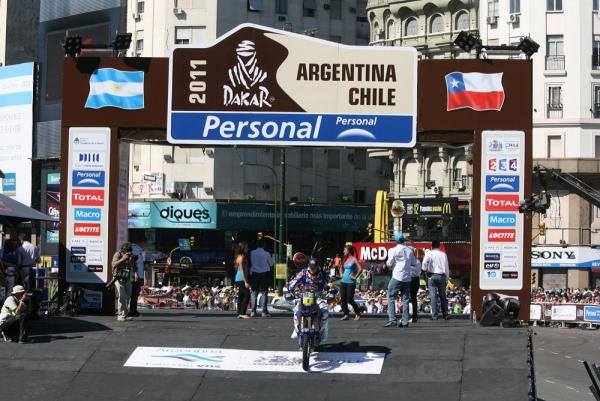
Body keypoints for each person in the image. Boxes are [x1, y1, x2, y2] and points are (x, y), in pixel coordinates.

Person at [288, 257, 330, 343]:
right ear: (308, 266)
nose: (312, 269)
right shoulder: (303, 272)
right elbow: (294, 282)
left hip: (318, 297)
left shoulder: (322, 273)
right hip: (305, 296)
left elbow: (330, 282)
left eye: (314, 267)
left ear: (317, 266)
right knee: (296, 310)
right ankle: (296, 328)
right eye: (311, 267)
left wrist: (331, 291)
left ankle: (323, 332)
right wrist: (291, 290)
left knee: (325, 311)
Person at [385, 232, 417, 328]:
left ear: (396, 241)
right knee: (406, 299)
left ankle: (392, 320)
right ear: (403, 240)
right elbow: (414, 263)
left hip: (397, 276)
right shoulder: (409, 250)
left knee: (390, 296)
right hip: (407, 277)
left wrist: (388, 263)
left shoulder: (393, 250)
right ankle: (405, 321)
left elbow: (389, 264)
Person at [422, 240, 450, 321]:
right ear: (439, 246)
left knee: (433, 297)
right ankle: (445, 315)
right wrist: (447, 278)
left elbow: (424, 264)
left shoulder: (429, 253)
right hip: (441, 276)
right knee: (443, 296)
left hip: (431, 276)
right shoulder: (443, 254)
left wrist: (425, 270)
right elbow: (446, 267)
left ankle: (434, 316)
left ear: (431, 246)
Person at [111, 242, 136, 321]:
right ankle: (121, 315)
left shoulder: (129, 256)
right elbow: (113, 264)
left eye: (130, 251)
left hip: (127, 278)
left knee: (128, 296)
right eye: (127, 251)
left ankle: (125, 314)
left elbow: (133, 267)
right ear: (123, 250)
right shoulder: (117, 254)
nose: (128, 253)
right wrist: (123, 259)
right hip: (118, 278)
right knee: (121, 297)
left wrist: (131, 261)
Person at [249, 239, 274, 317]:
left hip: (254, 274)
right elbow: (271, 264)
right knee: (264, 293)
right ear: (264, 245)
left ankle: (253, 311)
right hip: (264, 274)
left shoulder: (252, 253)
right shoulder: (266, 253)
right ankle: (264, 311)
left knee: (254, 293)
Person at [338, 245, 362, 321]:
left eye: (345, 250)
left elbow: (360, 269)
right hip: (343, 281)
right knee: (343, 299)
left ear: (349, 251)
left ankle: (358, 313)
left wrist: (355, 277)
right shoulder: (345, 259)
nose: (343, 251)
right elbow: (340, 267)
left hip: (351, 282)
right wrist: (341, 274)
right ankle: (346, 314)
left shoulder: (354, 259)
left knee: (350, 299)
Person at [233, 241, 251, 319]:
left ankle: (239, 312)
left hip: (239, 278)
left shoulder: (238, 256)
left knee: (241, 295)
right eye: (246, 247)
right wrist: (245, 281)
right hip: (241, 278)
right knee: (247, 295)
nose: (247, 249)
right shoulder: (242, 257)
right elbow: (241, 269)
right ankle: (242, 312)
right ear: (243, 248)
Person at [129, 243, 145, 317]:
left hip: (138, 275)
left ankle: (133, 311)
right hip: (134, 276)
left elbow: (139, 263)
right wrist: (136, 273)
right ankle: (132, 311)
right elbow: (133, 262)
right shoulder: (134, 248)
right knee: (133, 294)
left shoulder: (138, 248)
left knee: (135, 294)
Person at [409, 247, 424, 323]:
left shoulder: (412, 261)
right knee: (413, 299)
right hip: (416, 280)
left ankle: (411, 316)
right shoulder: (418, 262)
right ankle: (414, 316)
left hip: (410, 279)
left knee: (409, 298)